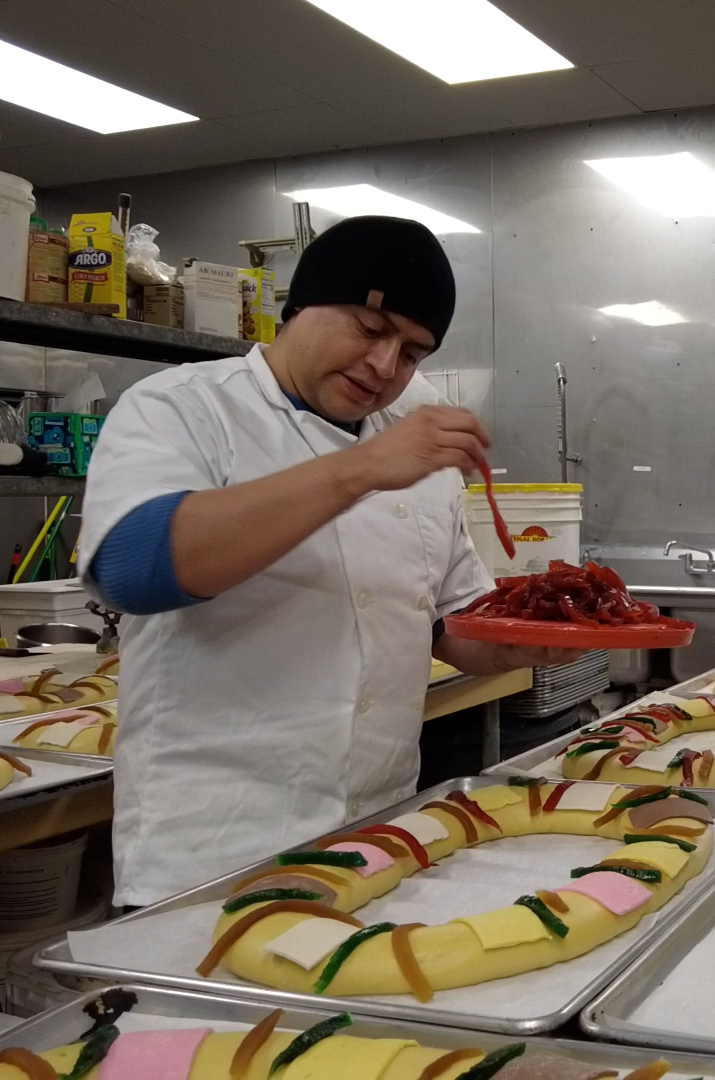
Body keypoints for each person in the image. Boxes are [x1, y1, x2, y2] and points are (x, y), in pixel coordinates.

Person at [81, 216, 576, 906]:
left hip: (377, 837)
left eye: (412, 353)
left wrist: (539, 639)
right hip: (212, 852)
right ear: (299, 307)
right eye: (369, 330)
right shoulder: (184, 407)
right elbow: (133, 571)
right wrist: (363, 468)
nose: (385, 367)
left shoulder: (420, 462)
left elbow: (448, 624)